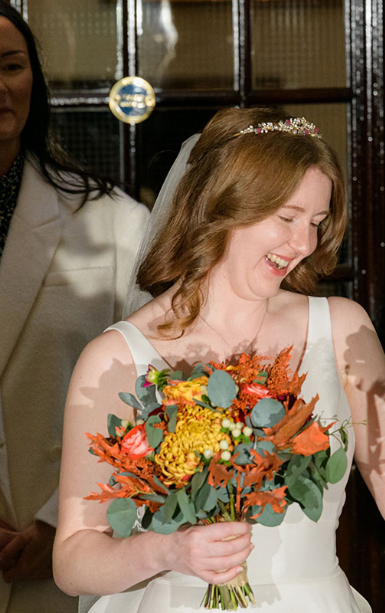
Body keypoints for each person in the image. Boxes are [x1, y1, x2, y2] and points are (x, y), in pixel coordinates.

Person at [52, 108, 385, 612]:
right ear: (223, 205)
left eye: (317, 222)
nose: (303, 244)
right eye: (286, 218)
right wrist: (167, 549)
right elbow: (72, 560)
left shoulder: (342, 327)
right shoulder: (116, 355)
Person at [0, 5, 149, 613]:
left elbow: (156, 392)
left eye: (11, 65)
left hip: (66, 550)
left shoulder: (114, 222)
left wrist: (67, 522)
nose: (0, 86)